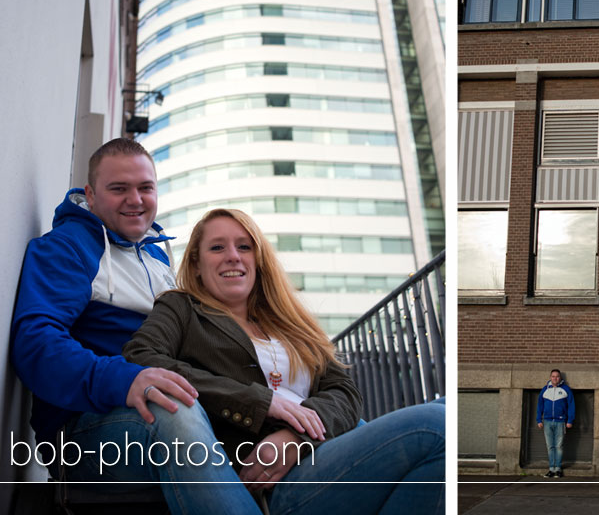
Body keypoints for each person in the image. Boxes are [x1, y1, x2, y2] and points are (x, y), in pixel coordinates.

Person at [123, 208, 445, 514]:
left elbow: (345, 392)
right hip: (275, 481)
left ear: (258, 259)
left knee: (446, 406)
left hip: (321, 451)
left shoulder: (289, 322)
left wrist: (296, 437)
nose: (233, 256)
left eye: (244, 247)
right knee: (436, 427)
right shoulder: (182, 309)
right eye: (217, 247)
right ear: (195, 263)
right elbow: (142, 356)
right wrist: (260, 403)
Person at [11, 138, 263, 515]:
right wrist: (125, 380)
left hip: (176, 411)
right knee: (173, 405)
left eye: (145, 188)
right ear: (91, 196)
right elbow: (35, 344)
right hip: (84, 430)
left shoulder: (159, 256)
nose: (136, 199)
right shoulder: (67, 247)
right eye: (119, 189)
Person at [536, 369, 574, 478]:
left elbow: (571, 405)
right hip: (547, 421)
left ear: (560, 378)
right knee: (550, 446)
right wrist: (539, 419)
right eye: (553, 376)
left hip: (560, 421)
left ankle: (558, 469)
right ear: (550, 377)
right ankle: (551, 469)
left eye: (557, 376)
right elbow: (540, 405)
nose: (555, 378)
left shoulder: (566, 389)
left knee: (558, 446)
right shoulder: (545, 390)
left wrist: (570, 420)